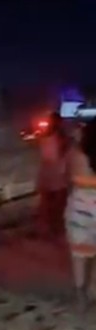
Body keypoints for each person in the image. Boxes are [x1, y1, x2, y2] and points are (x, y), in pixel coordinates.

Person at [65, 121, 96, 311]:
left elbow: (68, 180)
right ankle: (93, 289)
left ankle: (80, 296)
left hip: (79, 210)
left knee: (79, 255)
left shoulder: (75, 155)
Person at [35, 111, 71, 239]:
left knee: (46, 202)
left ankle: (45, 227)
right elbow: (63, 153)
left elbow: (44, 153)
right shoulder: (60, 136)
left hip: (46, 171)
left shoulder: (44, 135)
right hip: (57, 172)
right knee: (59, 202)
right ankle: (55, 227)